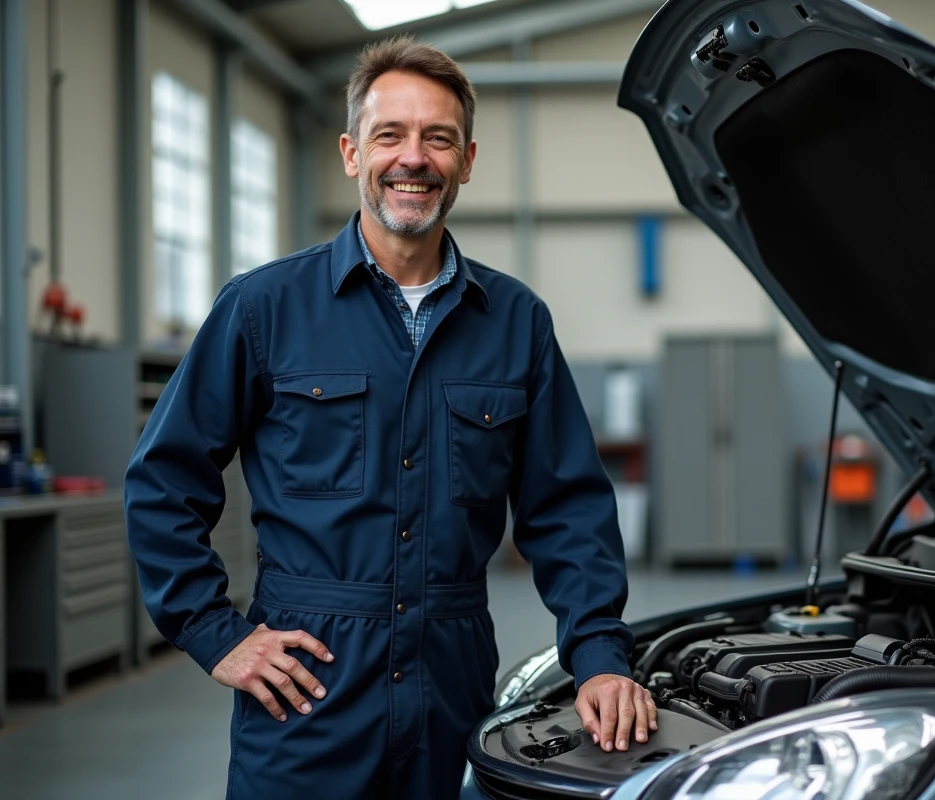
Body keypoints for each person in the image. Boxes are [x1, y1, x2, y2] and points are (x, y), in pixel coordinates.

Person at [124, 34, 655, 798]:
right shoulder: (263, 308)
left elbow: (566, 504)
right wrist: (217, 636)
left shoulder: (514, 322)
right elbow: (163, 482)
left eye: (439, 137)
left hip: (453, 687)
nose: (415, 157)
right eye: (390, 135)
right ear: (351, 153)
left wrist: (600, 656)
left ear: (467, 160)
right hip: (306, 699)